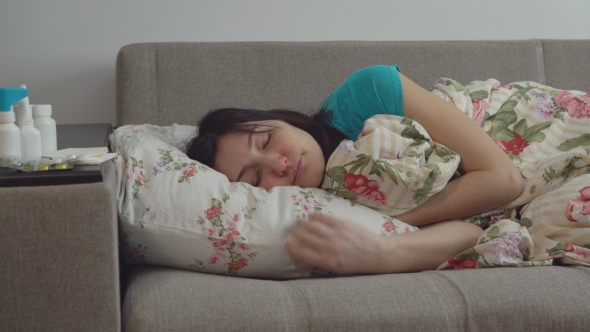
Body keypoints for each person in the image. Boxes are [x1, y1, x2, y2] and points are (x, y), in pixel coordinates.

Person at [186, 65, 524, 274]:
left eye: (266, 141)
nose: (279, 164)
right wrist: (383, 249)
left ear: (277, 117)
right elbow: (472, 234)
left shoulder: (369, 90)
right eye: (256, 179)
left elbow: (505, 180)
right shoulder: (319, 204)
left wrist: (393, 224)